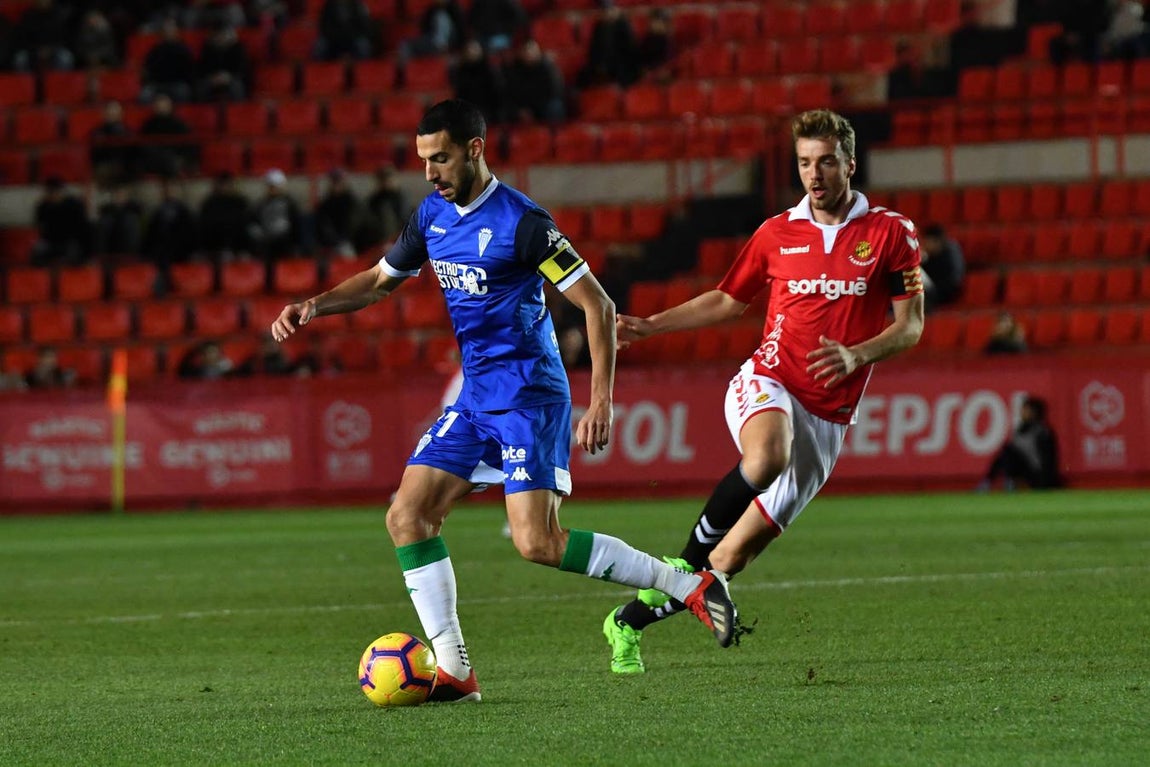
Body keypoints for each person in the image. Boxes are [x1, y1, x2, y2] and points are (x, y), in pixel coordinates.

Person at [270, 98, 737, 702]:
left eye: (440, 158)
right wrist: (315, 304)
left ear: (474, 149)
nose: (431, 172)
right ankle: (455, 670)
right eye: (423, 160)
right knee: (406, 516)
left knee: (537, 543)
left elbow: (596, 305)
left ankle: (688, 586)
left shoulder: (523, 223)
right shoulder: (431, 216)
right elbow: (380, 281)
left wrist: (601, 402)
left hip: (529, 398)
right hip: (475, 398)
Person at [601, 109, 925, 674]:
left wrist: (858, 353)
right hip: (767, 380)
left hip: (828, 421)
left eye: (825, 162)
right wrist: (652, 325)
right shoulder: (776, 232)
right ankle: (683, 560)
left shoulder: (891, 233)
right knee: (767, 454)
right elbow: (728, 300)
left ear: (850, 162)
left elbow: (911, 324)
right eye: (804, 163)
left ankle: (627, 621)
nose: (814, 175)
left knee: (727, 559)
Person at [978, 396, 1062, 491]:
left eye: (1025, 409)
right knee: (1006, 451)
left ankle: (1007, 482)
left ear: (1034, 412)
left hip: (1036, 474)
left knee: (1008, 450)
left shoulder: (1042, 432)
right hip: (1022, 472)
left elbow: (1048, 460)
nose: (1022, 412)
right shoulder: (1019, 430)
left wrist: (1045, 483)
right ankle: (993, 481)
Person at [30, 178, 91, 267]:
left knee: (74, 254)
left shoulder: (73, 204)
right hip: (49, 241)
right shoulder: (43, 206)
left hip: (69, 241)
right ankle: (44, 278)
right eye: (50, 192)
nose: (54, 195)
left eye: (56, 191)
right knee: (37, 252)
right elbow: (39, 225)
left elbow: (82, 226)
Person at [247, 168, 303, 262]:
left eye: (275, 186)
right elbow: (253, 223)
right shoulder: (260, 204)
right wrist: (257, 233)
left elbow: (296, 225)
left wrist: (296, 245)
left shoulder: (290, 203)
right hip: (265, 244)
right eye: (271, 186)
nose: (273, 189)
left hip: (284, 244)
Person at [920, 223, 965, 311]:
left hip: (944, 295)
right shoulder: (938, 252)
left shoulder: (949, 255)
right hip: (935, 292)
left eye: (927, 241)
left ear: (936, 241)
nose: (925, 245)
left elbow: (950, 283)